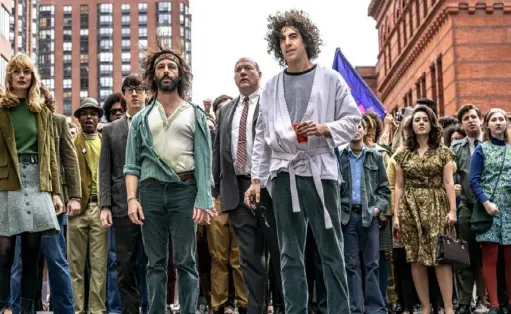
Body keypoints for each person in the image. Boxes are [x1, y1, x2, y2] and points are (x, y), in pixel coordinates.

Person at [245, 10, 361, 314]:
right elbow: (261, 136)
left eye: (293, 36)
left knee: (331, 249)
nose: (287, 42)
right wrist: (257, 180)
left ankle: (339, 310)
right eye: (281, 38)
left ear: (306, 39)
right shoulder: (270, 87)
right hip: (283, 174)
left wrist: (325, 129)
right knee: (288, 252)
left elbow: (353, 120)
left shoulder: (330, 79)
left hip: (320, 170)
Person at [124, 45, 216, 314]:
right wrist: (132, 200)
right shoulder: (141, 118)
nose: (166, 71)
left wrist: (203, 198)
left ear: (180, 74)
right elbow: (132, 164)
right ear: (153, 76)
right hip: (150, 193)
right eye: (161, 67)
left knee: (186, 260)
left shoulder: (195, 113)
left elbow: (204, 160)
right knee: (155, 263)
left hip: (184, 191)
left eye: (171, 66)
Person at [214, 58, 283, 314]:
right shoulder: (226, 111)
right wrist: (217, 190)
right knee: (249, 260)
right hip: (237, 193)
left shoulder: (272, 103)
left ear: (259, 74)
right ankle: (255, 309)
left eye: (248, 69)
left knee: (278, 255)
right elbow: (218, 151)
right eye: (237, 70)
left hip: (271, 190)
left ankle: (284, 308)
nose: (242, 73)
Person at [0, 53, 63, 313]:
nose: (22, 76)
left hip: (37, 182)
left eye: (27, 72)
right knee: (3, 253)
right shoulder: (2, 108)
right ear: (10, 77)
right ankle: (3, 306)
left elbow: (51, 155)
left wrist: (56, 192)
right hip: (6, 182)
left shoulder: (42, 111)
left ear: (32, 77)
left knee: (31, 254)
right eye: (17, 72)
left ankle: (26, 309)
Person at [393, 105, 457, 314]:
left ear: (431, 124)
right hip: (410, 208)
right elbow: (399, 186)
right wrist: (396, 215)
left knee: (441, 257)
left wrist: (452, 211)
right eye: (417, 119)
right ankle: (426, 307)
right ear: (411, 125)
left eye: (425, 119)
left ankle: (448, 308)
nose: (420, 122)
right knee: (416, 257)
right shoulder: (402, 154)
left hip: (437, 204)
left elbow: (449, 183)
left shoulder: (444, 152)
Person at [99, 74, 150, 314]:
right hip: (120, 206)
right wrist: (105, 205)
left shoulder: (157, 122)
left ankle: (151, 308)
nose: (134, 93)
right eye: (129, 89)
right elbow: (105, 169)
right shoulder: (110, 130)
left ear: (146, 93)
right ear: (123, 94)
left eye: (139, 89)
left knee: (153, 264)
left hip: (153, 204)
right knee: (125, 266)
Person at [339, 119, 390, 314]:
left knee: (372, 263)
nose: (356, 130)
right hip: (347, 217)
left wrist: (377, 209)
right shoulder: (340, 157)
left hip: (369, 216)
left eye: (359, 126)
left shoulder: (375, 157)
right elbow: (334, 189)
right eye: (351, 127)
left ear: (364, 130)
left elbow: (384, 190)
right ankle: (355, 309)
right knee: (351, 265)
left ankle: (375, 308)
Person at [69, 98, 109, 314]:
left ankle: (96, 310)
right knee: (75, 264)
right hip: (77, 210)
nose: (89, 117)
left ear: (99, 117)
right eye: (84, 113)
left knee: (99, 266)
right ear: (78, 118)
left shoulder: (105, 141)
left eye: (93, 113)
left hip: (100, 209)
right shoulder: (72, 142)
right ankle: (77, 309)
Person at [470, 108, 511, 314]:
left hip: (510, 210)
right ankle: (494, 304)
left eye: (501, 119)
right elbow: (474, 181)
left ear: (506, 123)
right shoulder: (481, 149)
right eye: (493, 119)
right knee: (490, 257)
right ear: (487, 125)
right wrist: (486, 202)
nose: (498, 123)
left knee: (510, 258)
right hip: (490, 210)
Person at [451, 104, 485, 314]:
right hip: (466, 205)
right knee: (465, 254)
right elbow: (450, 178)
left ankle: (487, 299)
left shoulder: (491, 144)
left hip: (490, 207)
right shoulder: (456, 148)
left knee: (489, 255)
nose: (471, 120)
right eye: (466, 118)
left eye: (474, 116)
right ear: (462, 124)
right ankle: (465, 301)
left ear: (480, 119)